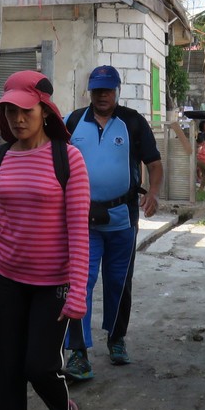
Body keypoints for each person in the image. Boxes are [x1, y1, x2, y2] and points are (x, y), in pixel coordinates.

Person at [0, 70, 90, 410]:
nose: (17, 119)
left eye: (26, 111)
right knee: (10, 374)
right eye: (10, 111)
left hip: (53, 285)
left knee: (39, 366)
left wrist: (78, 292)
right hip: (7, 282)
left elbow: (78, 232)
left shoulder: (68, 160)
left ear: (45, 111)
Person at [62, 65, 163, 381]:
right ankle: (78, 353)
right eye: (97, 90)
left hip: (122, 219)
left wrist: (153, 194)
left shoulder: (132, 122)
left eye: (107, 90)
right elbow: (56, 161)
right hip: (83, 220)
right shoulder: (73, 122)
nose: (102, 95)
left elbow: (154, 164)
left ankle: (116, 339)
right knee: (80, 282)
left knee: (119, 281)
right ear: (90, 91)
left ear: (117, 91)